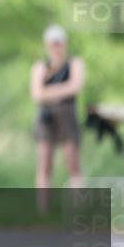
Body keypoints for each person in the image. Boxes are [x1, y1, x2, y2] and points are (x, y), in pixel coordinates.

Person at [31, 25, 86, 210]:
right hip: (46, 117)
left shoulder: (74, 63)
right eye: (53, 44)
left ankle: (77, 206)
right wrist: (59, 91)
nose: (56, 47)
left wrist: (50, 91)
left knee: (73, 162)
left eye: (59, 43)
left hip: (67, 115)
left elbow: (75, 86)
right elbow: (37, 94)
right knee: (45, 163)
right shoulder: (41, 66)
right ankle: (43, 208)